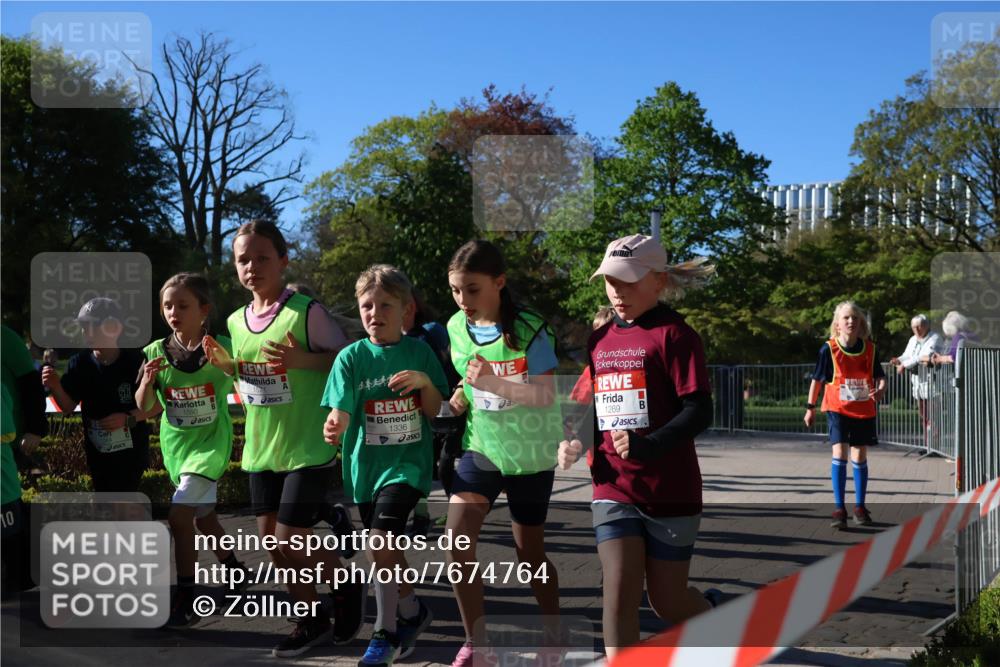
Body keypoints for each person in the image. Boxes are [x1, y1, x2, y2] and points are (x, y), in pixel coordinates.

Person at [557, 235, 720, 657]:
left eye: (628, 281)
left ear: (659, 281)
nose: (616, 291)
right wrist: (576, 440)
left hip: (671, 490)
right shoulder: (599, 340)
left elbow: (700, 411)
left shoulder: (676, 336)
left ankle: (714, 616)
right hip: (613, 486)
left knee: (666, 602)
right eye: (610, 281)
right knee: (618, 591)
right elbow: (598, 406)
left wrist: (650, 446)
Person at [210, 220, 364, 657]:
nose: (252, 267)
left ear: (283, 260)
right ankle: (311, 621)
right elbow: (253, 376)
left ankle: (346, 582)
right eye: (244, 259)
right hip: (262, 448)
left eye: (262, 258)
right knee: (273, 546)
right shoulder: (235, 321)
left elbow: (346, 362)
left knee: (286, 538)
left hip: (307, 444)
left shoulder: (305, 311)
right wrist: (228, 367)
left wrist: (301, 358)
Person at [444, 240, 566, 667]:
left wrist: (494, 383)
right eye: (456, 291)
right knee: (456, 541)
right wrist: (461, 394)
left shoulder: (531, 327)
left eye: (472, 290)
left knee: (528, 552)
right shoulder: (455, 327)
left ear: (499, 282)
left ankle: (554, 631)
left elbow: (546, 396)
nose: (463, 301)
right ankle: (478, 645)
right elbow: (468, 377)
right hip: (483, 449)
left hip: (530, 453)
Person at [322, 265, 447, 666]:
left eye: (384, 305)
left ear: (406, 310)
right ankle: (412, 608)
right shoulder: (350, 358)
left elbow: (436, 413)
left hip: (407, 466)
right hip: (365, 470)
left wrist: (425, 384)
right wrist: (335, 425)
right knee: (384, 551)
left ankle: (384, 632)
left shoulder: (419, 352)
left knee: (379, 544)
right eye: (366, 306)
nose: (374, 313)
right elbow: (340, 409)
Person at [135, 273, 250, 628]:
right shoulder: (154, 353)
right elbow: (147, 409)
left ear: (204, 310)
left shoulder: (223, 346)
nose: (173, 312)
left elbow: (248, 387)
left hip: (210, 447)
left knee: (179, 517)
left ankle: (186, 595)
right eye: (167, 306)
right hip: (177, 448)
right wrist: (147, 381)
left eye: (182, 305)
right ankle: (235, 570)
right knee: (204, 518)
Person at [42, 299, 159, 493]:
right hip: (96, 453)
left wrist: (128, 419)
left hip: (132, 454)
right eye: (83, 326)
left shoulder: (136, 361)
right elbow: (68, 407)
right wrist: (55, 386)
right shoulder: (78, 364)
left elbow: (158, 405)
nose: (85, 332)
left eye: (92, 326)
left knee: (123, 505)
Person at [804, 301, 887, 529]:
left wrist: (880, 389)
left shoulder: (869, 349)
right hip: (837, 409)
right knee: (839, 452)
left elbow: (880, 377)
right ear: (837, 324)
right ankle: (839, 508)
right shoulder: (828, 349)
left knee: (859, 456)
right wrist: (810, 407)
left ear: (860, 324)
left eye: (855, 318)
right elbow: (817, 380)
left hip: (862, 410)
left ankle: (860, 508)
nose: (851, 321)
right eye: (846, 318)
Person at [403, 288, 462, 536]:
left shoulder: (432, 330)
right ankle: (421, 515)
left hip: (451, 404)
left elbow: (455, 362)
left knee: (446, 464)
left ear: (414, 307)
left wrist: (458, 392)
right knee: (424, 465)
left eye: (408, 306)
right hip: (420, 413)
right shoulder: (394, 340)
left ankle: (458, 509)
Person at [1, 324, 49, 596]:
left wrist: (36, 428)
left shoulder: (5, 339)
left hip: (10, 437)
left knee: (7, 503)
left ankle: (21, 576)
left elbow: (31, 385)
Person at [889, 314, 940, 446]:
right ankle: (927, 444)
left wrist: (903, 365)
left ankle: (934, 445)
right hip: (918, 383)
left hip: (932, 383)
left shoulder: (934, 338)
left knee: (933, 416)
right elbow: (908, 355)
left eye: (919, 326)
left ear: (926, 326)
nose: (916, 330)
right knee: (923, 415)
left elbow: (922, 357)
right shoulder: (912, 339)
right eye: (913, 327)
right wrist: (899, 359)